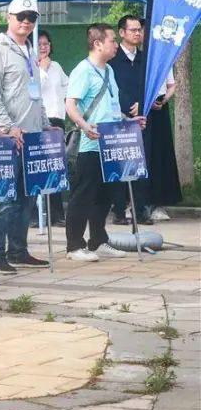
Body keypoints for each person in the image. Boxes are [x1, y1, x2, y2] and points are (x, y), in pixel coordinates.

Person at [0, 0, 50, 273]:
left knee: (26, 197)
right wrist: (8, 128)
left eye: (31, 17)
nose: (26, 22)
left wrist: (45, 123)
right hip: (7, 138)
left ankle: (18, 250)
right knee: (2, 199)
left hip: (31, 135)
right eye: (21, 17)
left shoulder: (30, 50)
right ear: (8, 17)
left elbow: (36, 93)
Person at [64, 23, 140, 262]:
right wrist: (84, 126)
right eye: (112, 40)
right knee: (83, 195)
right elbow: (70, 104)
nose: (116, 45)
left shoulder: (109, 71)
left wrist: (129, 120)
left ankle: (98, 240)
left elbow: (111, 108)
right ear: (97, 44)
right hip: (90, 145)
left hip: (111, 145)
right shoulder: (83, 71)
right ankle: (74, 245)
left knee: (105, 195)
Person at [107, 15, 153, 225]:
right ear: (122, 32)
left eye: (139, 30)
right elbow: (113, 89)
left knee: (142, 163)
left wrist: (143, 104)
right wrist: (127, 107)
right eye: (133, 30)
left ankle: (139, 210)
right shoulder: (112, 60)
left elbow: (153, 85)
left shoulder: (146, 59)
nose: (137, 33)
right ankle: (118, 210)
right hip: (119, 118)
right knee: (120, 164)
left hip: (142, 118)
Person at [139, 20, 181, 220]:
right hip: (141, 110)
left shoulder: (163, 58)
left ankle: (158, 203)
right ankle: (137, 203)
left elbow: (172, 85)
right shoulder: (137, 59)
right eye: (140, 31)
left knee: (160, 154)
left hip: (159, 109)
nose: (142, 34)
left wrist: (163, 100)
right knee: (141, 155)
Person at [37, 30, 69, 226]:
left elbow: (68, 88)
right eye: (39, 44)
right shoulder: (30, 66)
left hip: (57, 121)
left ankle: (56, 215)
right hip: (41, 121)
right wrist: (42, 70)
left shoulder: (56, 66)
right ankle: (36, 215)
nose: (43, 47)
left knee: (56, 168)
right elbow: (33, 91)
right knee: (39, 169)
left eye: (46, 43)